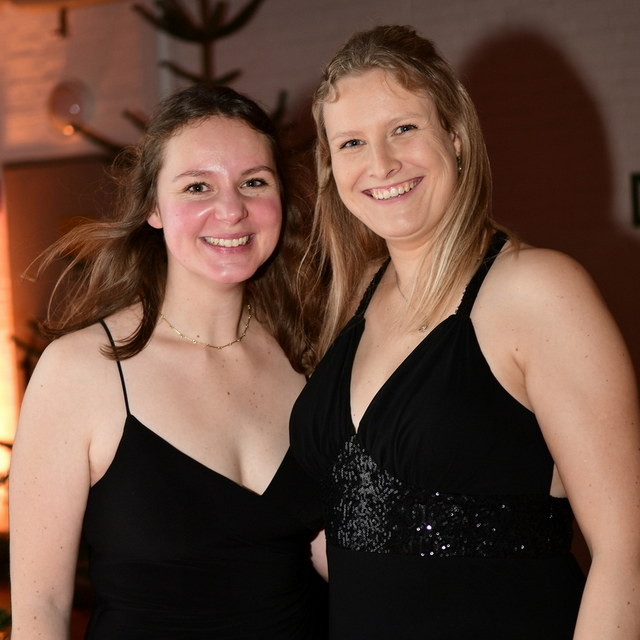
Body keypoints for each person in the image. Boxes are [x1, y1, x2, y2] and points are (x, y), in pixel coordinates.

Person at [290, 24, 640, 639]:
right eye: (351, 142)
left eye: (404, 128)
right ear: (331, 166)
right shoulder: (355, 299)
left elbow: (625, 554)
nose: (380, 163)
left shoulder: (538, 290)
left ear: (454, 137)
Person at [9, 84, 327, 639]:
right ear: (153, 207)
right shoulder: (81, 371)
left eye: (254, 182)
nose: (231, 209)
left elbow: (341, 565)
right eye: (197, 186)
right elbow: (42, 607)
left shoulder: (306, 356)